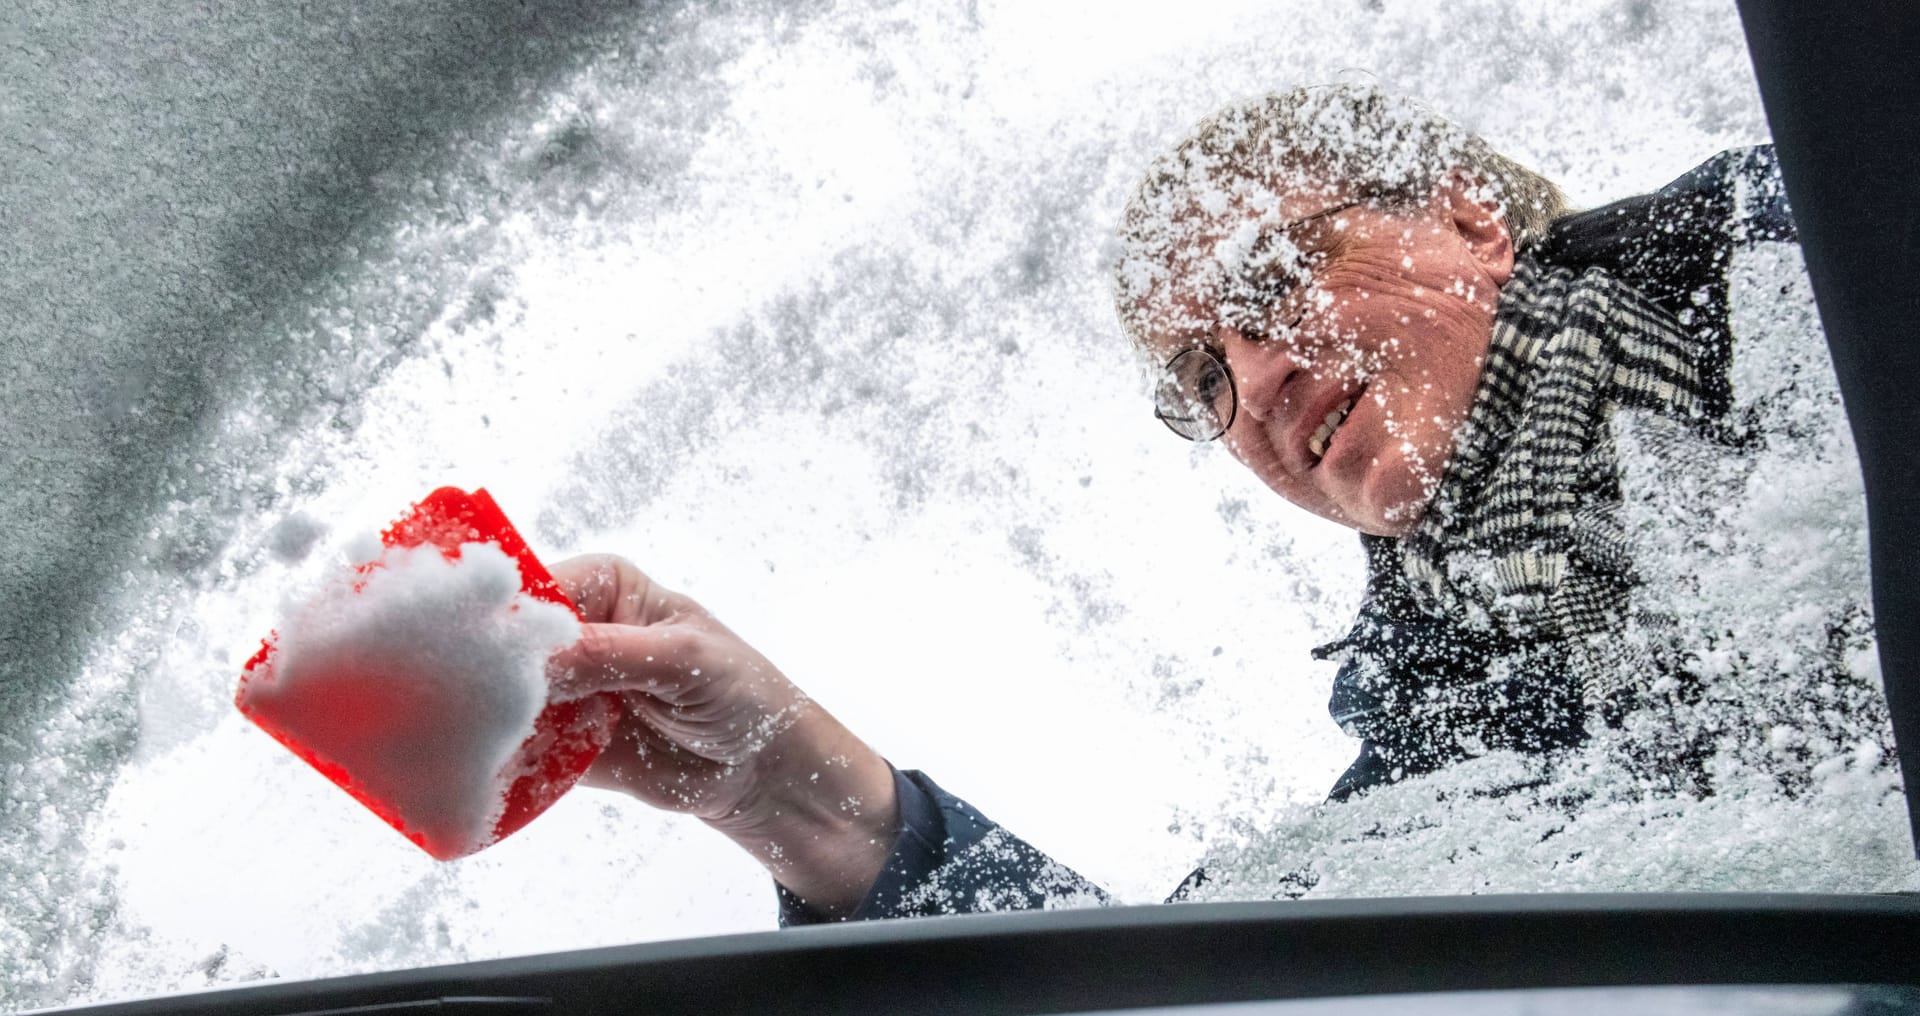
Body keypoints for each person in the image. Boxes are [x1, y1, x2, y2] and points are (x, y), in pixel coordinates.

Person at [542, 84, 1804, 922]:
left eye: (1280, 275)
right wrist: (779, 787)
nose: (1256, 376)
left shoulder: (1809, 241)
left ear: (1472, 222)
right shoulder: (1459, 724)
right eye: (1204, 377)